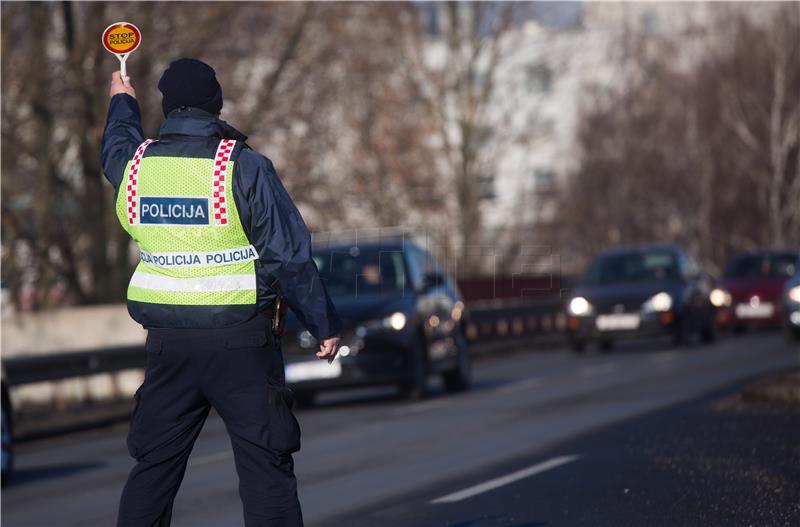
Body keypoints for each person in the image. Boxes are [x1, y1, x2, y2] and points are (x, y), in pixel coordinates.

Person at [102, 58, 342, 527]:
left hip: (169, 345)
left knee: (153, 469)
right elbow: (287, 254)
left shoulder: (135, 169)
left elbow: (115, 145)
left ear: (168, 107)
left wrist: (122, 102)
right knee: (264, 469)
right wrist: (323, 324)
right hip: (241, 343)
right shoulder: (243, 167)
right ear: (217, 104)